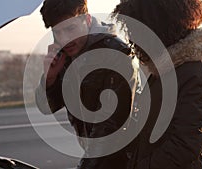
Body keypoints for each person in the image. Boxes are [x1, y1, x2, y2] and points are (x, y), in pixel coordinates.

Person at [112, 0, 202, 168]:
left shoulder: (192, 72)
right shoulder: (165, 69)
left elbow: (185, 144)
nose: (132, 40)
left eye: (137, 31)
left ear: (157, 27)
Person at [35, 0, 139, 168]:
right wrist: (49, 79)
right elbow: (46, 107)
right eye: (57, 32)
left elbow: (110, 128)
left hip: (125, 159)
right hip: (96, 155)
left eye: (71, 29)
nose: (65, 39)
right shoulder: (66, 57)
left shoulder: (116, 54)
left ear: (88, 20)